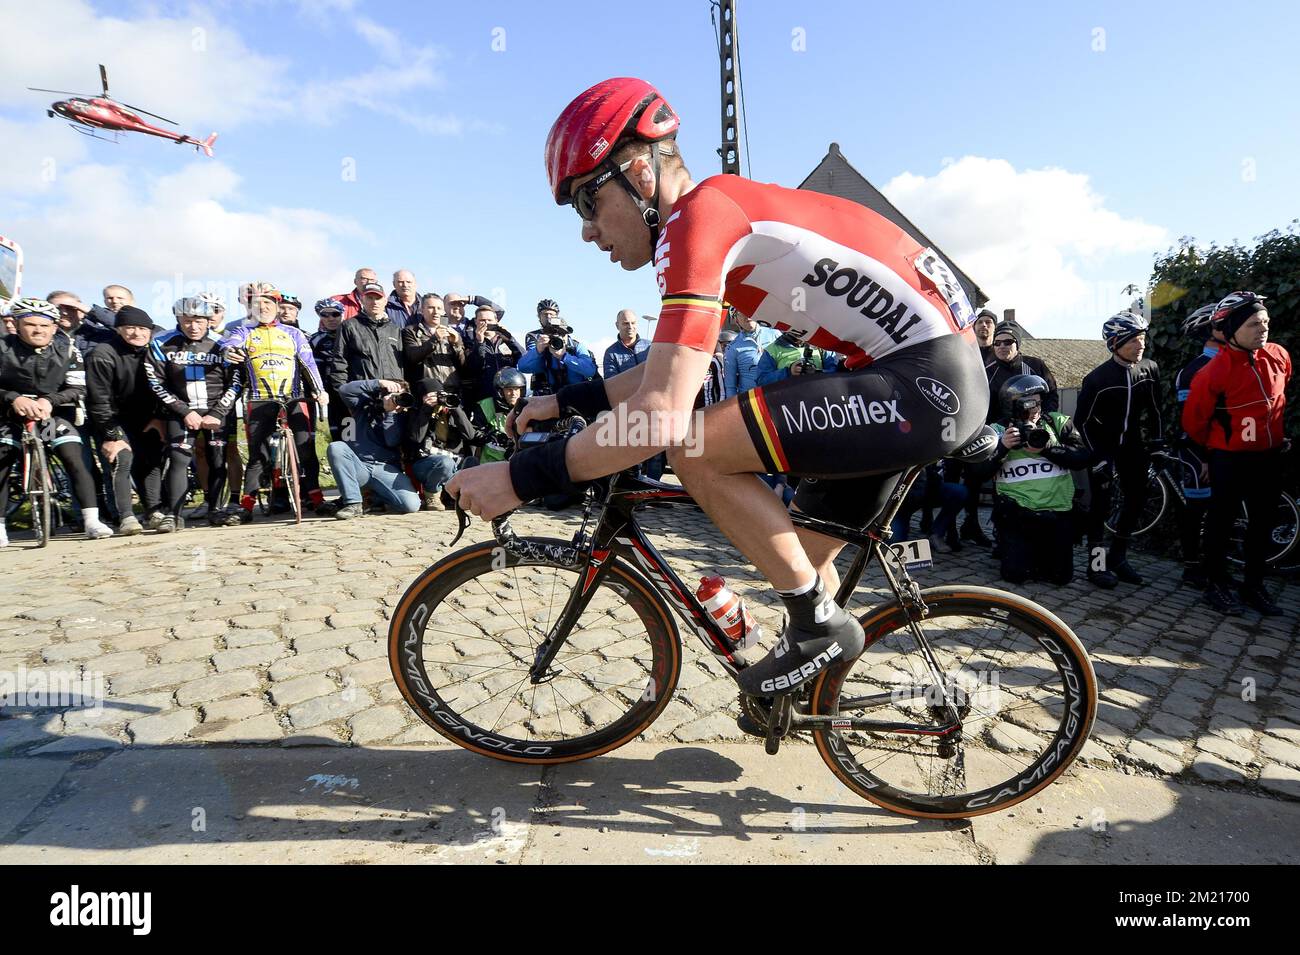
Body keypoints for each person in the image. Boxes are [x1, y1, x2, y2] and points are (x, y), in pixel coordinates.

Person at [448, 77, 991, 700]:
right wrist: (567, 401)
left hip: (921, 382)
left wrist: (520, 478)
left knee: (694, 448)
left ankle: (820, 628)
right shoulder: (711, 218)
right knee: (792, 562)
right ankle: (808, 691)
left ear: (637, 172)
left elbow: (659, 417)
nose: (587, 232)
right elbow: (679, 370)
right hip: (920, 380)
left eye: (585, 204)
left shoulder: (697, 222)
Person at [1183, 292, 1291, 616]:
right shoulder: (1213, 372)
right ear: (1231, 329)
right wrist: (1216, 449)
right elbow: (1194, 421)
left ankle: (1253, 584)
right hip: (1230, 458)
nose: (1263, 329)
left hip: (1268, 455)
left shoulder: (1279, 356)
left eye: (1266, 322)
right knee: (1221, 521)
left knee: (1262, 523)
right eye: (1254, 323)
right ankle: (1215, 583)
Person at [0, 298, 114, 544]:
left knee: (73, 457)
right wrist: (12, 398)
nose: (38, 330)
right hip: (10, 416)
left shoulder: (67, 348)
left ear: (54, 327)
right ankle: (0, 528)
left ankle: (92, 520)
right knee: (3, 458)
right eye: (30, 324)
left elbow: (78, 387)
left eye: (44, 325)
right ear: (17, 325)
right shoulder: (2, 347)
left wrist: (50, 400)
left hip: (49, 417)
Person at [220, 282, 329, 522]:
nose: (263, 308)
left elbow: (308, 364)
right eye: (258, 304)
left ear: (277, 307)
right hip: (259, 399)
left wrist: (319, 391)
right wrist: (229, 352)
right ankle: (246, 507)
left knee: (306, 448)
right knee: (258, 455)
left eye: (268, 304)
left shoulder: (293, 333)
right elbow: (228, 346)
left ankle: (317, 499)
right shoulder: (244, 331)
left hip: (294, 397)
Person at [973, 375, 1090, 585]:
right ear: (1013, 405)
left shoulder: (1056, 422)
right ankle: (1008, 544)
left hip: (1057, 512)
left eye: (1039, 401)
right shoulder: (997, 430)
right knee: (1016, 575)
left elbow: (1082, 458)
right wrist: (1002, 448)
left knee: (1060, 577)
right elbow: (977, 474)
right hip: (1017, 514)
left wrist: (1047, 449)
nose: (1036, 409)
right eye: (1029, 403)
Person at [1075, 311, 1163, 589]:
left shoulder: (1149, 369)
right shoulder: (1097, 379)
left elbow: (1157, 411)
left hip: (1134, 446)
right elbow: (1082, 422)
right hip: (1104, 447)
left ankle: (1118, 556)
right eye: (1134, 341)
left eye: (1142, 339)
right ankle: (1096, 565)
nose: (1141, 345)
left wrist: (1158, 445)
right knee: (1100, 507)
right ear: (1115, 343)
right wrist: (1096, 457)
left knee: (1136, 500)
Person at [146, 297, 245, 528]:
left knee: (217, 459)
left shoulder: (223, 343)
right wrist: (184, 412)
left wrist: (218, 413)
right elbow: (156, 382)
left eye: (199, 321)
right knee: (178, 458)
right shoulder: (161, 342)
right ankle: (174, 514)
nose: (194, 326)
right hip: (179, 411)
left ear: (208, 320)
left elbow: (237, 381)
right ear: (178, 319)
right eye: (187, 321)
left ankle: (215, 509)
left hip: (216, 410)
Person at [966, 320, 1061, 547]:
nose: (1002, 346)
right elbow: (978, 404)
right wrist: (992, 434)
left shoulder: (1035, 365)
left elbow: (1052, 395)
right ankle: (977, 526)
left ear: (1017, 344)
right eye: (997, 342)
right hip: (999, 432)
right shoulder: (986, 371)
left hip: (1035, 431)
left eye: (1008, 341)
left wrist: (1043, 421)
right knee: (987, 478)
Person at [85, 305, 166, 534]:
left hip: (148, 416)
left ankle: (153, 511)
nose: (137, 333)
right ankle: (127, 517)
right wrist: (111, 435)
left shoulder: (154, 350)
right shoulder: (103, 353)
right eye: (130, 328)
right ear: (119, 329)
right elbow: (98, 398)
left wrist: (159, 417)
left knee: (151, 462)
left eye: (143, 328)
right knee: (123, 459)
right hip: (111, 417)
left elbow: (164, 387)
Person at [1172, 303, 1223, 588]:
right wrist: (1204, 456)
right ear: (1209, 331)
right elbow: (1192, 421)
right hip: (1197, 451)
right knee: (1196, 509)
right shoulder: (1193, 370)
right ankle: (1191, 566)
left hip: (1224, 450)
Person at [326, 379, 428, 518]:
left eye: (399, 396)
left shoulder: (403, 416)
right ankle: (353, 504)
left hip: (386, 468)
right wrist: (378, 383)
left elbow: (391, 441)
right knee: (336, 447)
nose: (394, 399)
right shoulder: (363, 406)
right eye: (392, 395)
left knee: (410, 505)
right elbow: (344, 390)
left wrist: (390, 414)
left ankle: (376, 497)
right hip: (359, 466)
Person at [408, 377, 476, 509]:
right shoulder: (415, 412)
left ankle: (457, 498)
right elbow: (416, 438)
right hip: (426, 464)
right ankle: (432, 494)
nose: (437, 399)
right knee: (445, 463)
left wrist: (456, 409)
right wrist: (426, 410)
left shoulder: (450, 411)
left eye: (439, 395)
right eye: (431, 396)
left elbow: (470, 435)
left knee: (472, 462)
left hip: (454, 461)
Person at [328, 281, 405, 391]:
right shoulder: (349, 326)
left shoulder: (395, 329)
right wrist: (342, 392)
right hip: (363, 393)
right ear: (362, 300)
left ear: (385, 301)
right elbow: (339, 362)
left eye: (378, 298)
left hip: (393, 394)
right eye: (370, 298)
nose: (374, 302)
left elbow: (402, 365)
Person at [518, 313, 597, 397]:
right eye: (552, 333)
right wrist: (537, 351)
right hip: (553, 398)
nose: (558, 337)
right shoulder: (545, 352)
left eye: (562, 334)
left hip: (578, 396)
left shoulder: (577, 347)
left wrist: (564, 357)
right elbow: (523, 367)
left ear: (567, 334)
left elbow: (590, 371)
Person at [460, 305, 522, 405]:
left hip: (507, 396)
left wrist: (510, 340)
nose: (486, 323)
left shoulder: (506, 341)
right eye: (482, 320)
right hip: (484, 397)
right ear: (476, 322)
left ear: (496, 321)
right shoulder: (469, 343)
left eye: (489, 320)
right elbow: (472, 368)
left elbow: (524, 358)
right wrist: (480, 343)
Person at [403, 293, 465, 391]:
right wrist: (435, 339)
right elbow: (412, 357)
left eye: (439, 308)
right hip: (427, 391)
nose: (436, 312)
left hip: (452, 391)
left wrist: (456, 344)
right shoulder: (411, 331)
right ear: (422, 310)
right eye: (431, 308)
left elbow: (463, 365)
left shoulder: (453, 333)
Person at [470, 367, 527, 465]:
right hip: (491, 463)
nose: (513, 393)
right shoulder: (486, 406)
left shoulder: (527, 407)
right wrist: (492, 436)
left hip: (519, 462)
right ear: (500, 391)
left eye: (517, 389)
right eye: (509, 389)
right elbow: (474, 433)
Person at [310, 298, 347, 442]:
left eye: (335, 314)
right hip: (328, 395)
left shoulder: (352, 335)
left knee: (352, 437)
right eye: (325, 315)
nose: (330, 318)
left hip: (349, 394)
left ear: (342, 314)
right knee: (337, 437)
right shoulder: (314, 340)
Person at [723, 310, 778, 398]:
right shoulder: (732, 347)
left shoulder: (775, 334)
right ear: (736, 319)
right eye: (741, 312)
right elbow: (730, 386)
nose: (747, 315)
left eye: (750, 310)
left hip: (775, 395)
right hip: (751, 400)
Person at [603, 309, 650, 379]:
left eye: (633, 323)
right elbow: (611, 382)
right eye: (626, 323)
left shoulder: (650, 347)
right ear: (617, 325)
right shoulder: (611, 353)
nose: (630, 327)